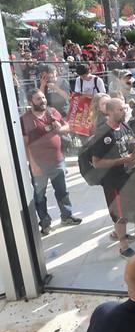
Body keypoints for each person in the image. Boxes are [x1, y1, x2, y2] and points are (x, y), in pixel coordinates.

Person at [91, 98, 135, 257]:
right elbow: (96, 163)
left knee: (128, 209)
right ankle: (124, 247)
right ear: (108, 112)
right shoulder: (102, 133)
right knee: (120, 214)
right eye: (120, 110)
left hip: (128, 176)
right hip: (113, 181)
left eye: (124, 109)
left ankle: (118, 234)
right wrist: (121, 160)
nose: (124, 112)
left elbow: (129, 140)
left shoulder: (123, 125)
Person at [21, 89, 82, 235]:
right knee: (40, 195)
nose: (42, 101)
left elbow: (67, 127)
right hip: (39, 165)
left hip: (58, 160)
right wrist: (33, 165)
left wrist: (60, 127)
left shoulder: (52, 112)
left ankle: (66, 216)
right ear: (31, 102)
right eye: (38, 99)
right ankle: (45, 223)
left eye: (43, 97)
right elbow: (25, 144)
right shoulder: (25, 119)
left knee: (62, 191)